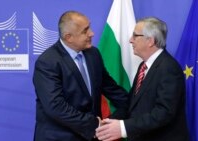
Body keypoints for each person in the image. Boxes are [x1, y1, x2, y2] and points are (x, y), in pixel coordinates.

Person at [33, 10, 129, 141]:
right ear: (68, 37)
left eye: (89, 27)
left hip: (92, 136)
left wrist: (133, 105)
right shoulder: (48, 62)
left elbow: (110, 88)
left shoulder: (93, 54)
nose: (92, 33)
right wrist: (94, 124)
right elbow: (55, 106)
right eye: (85, 31)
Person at [96, 17, 189, 141]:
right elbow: (131, 104)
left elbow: (163, 113)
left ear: (150, 41)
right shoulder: (144, 66)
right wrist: (110, 122)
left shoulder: (169, 68)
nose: (130, 40)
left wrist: (123, 127)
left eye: (135, 36)